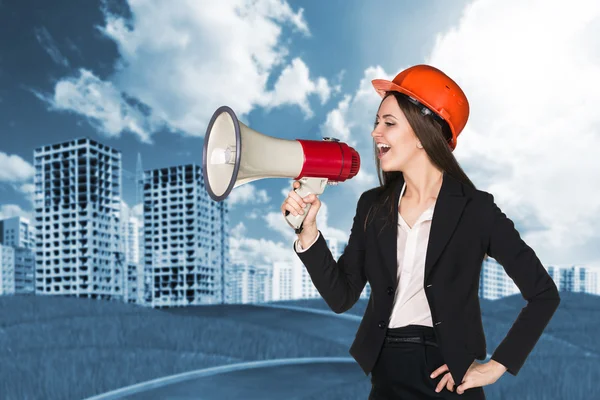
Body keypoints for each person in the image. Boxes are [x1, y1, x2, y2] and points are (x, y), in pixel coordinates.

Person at [281, 64, 561, 399]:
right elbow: (342, 297)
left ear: (421, 132)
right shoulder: (372, 206)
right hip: (385, 374)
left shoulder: (475, 209)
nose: (375, 133)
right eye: (376, 123)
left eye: (389, 123)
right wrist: (308, 231)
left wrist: (496, 365)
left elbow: (543, 293)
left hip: (446, 379)